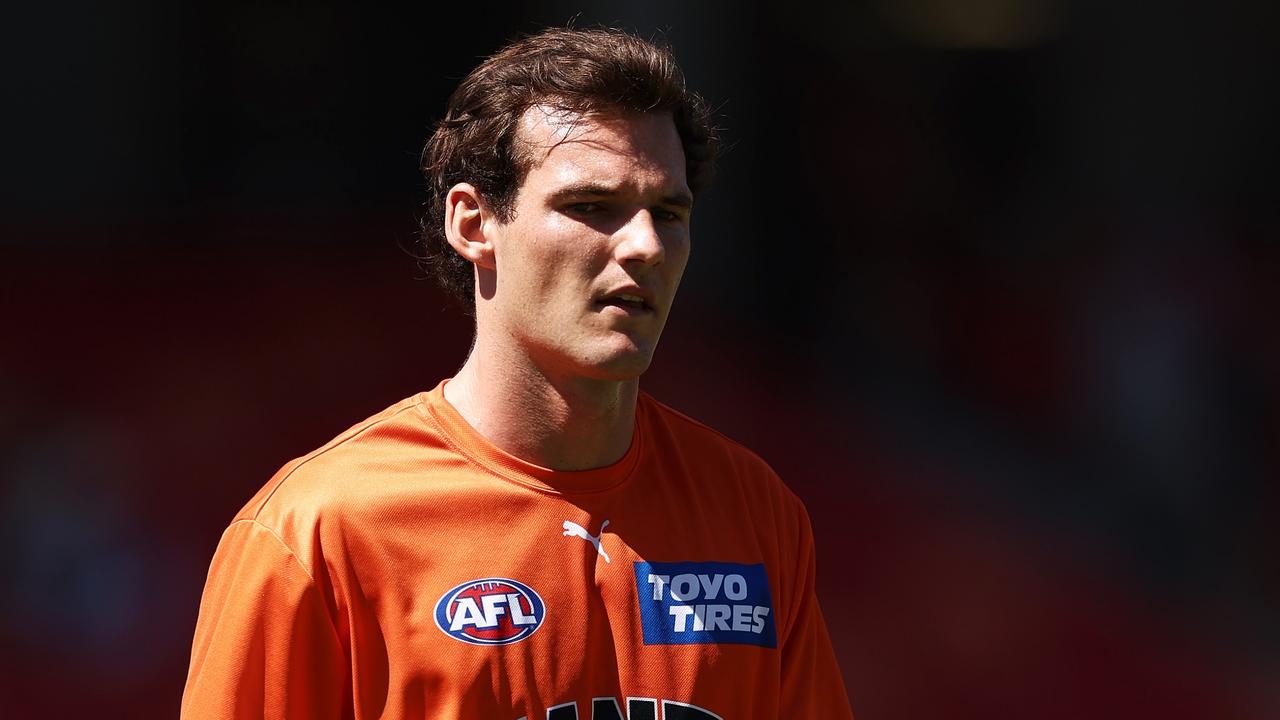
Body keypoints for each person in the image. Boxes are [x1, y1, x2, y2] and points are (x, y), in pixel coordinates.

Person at [181, 27, 854, 719]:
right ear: (473, 223)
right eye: (591, 207)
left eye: (669, 212)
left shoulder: (753, 513)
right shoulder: (318, 532)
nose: (647, 245)